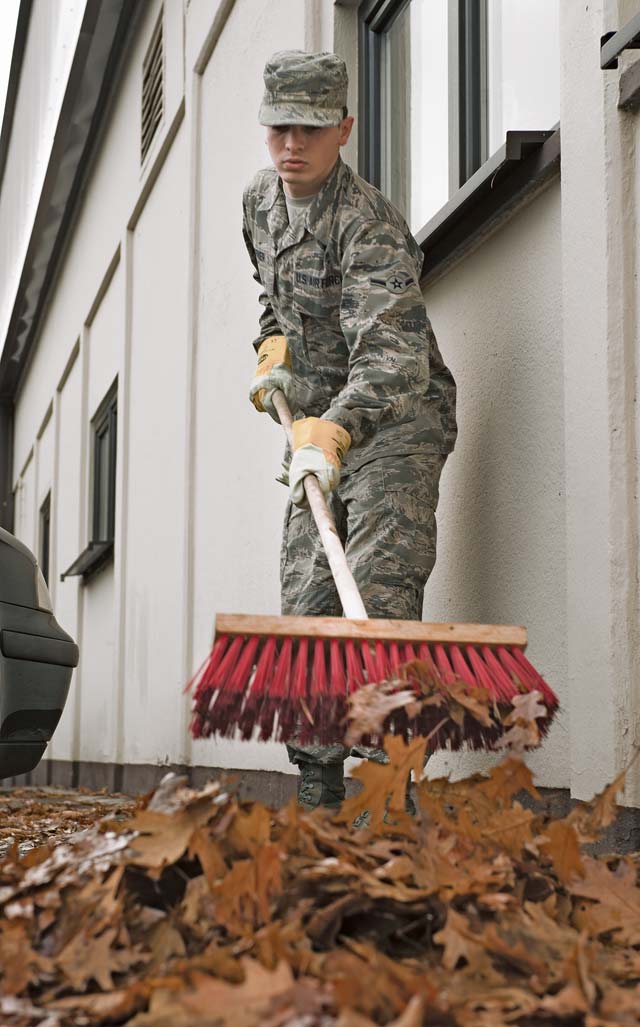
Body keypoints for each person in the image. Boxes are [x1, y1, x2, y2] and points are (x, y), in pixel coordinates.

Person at [242, 50, 457, 814]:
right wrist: (275, 350)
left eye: (310, 126)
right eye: (278, 128)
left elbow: (394, 359)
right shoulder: (260, 206)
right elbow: (276, 302)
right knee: (306, 596)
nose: (291, 144)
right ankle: (317, 787)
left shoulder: (367, 224)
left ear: (345, 127)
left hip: (396, 421)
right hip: (317, 427)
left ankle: (383, 790)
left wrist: (334, 429)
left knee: (376, 590)